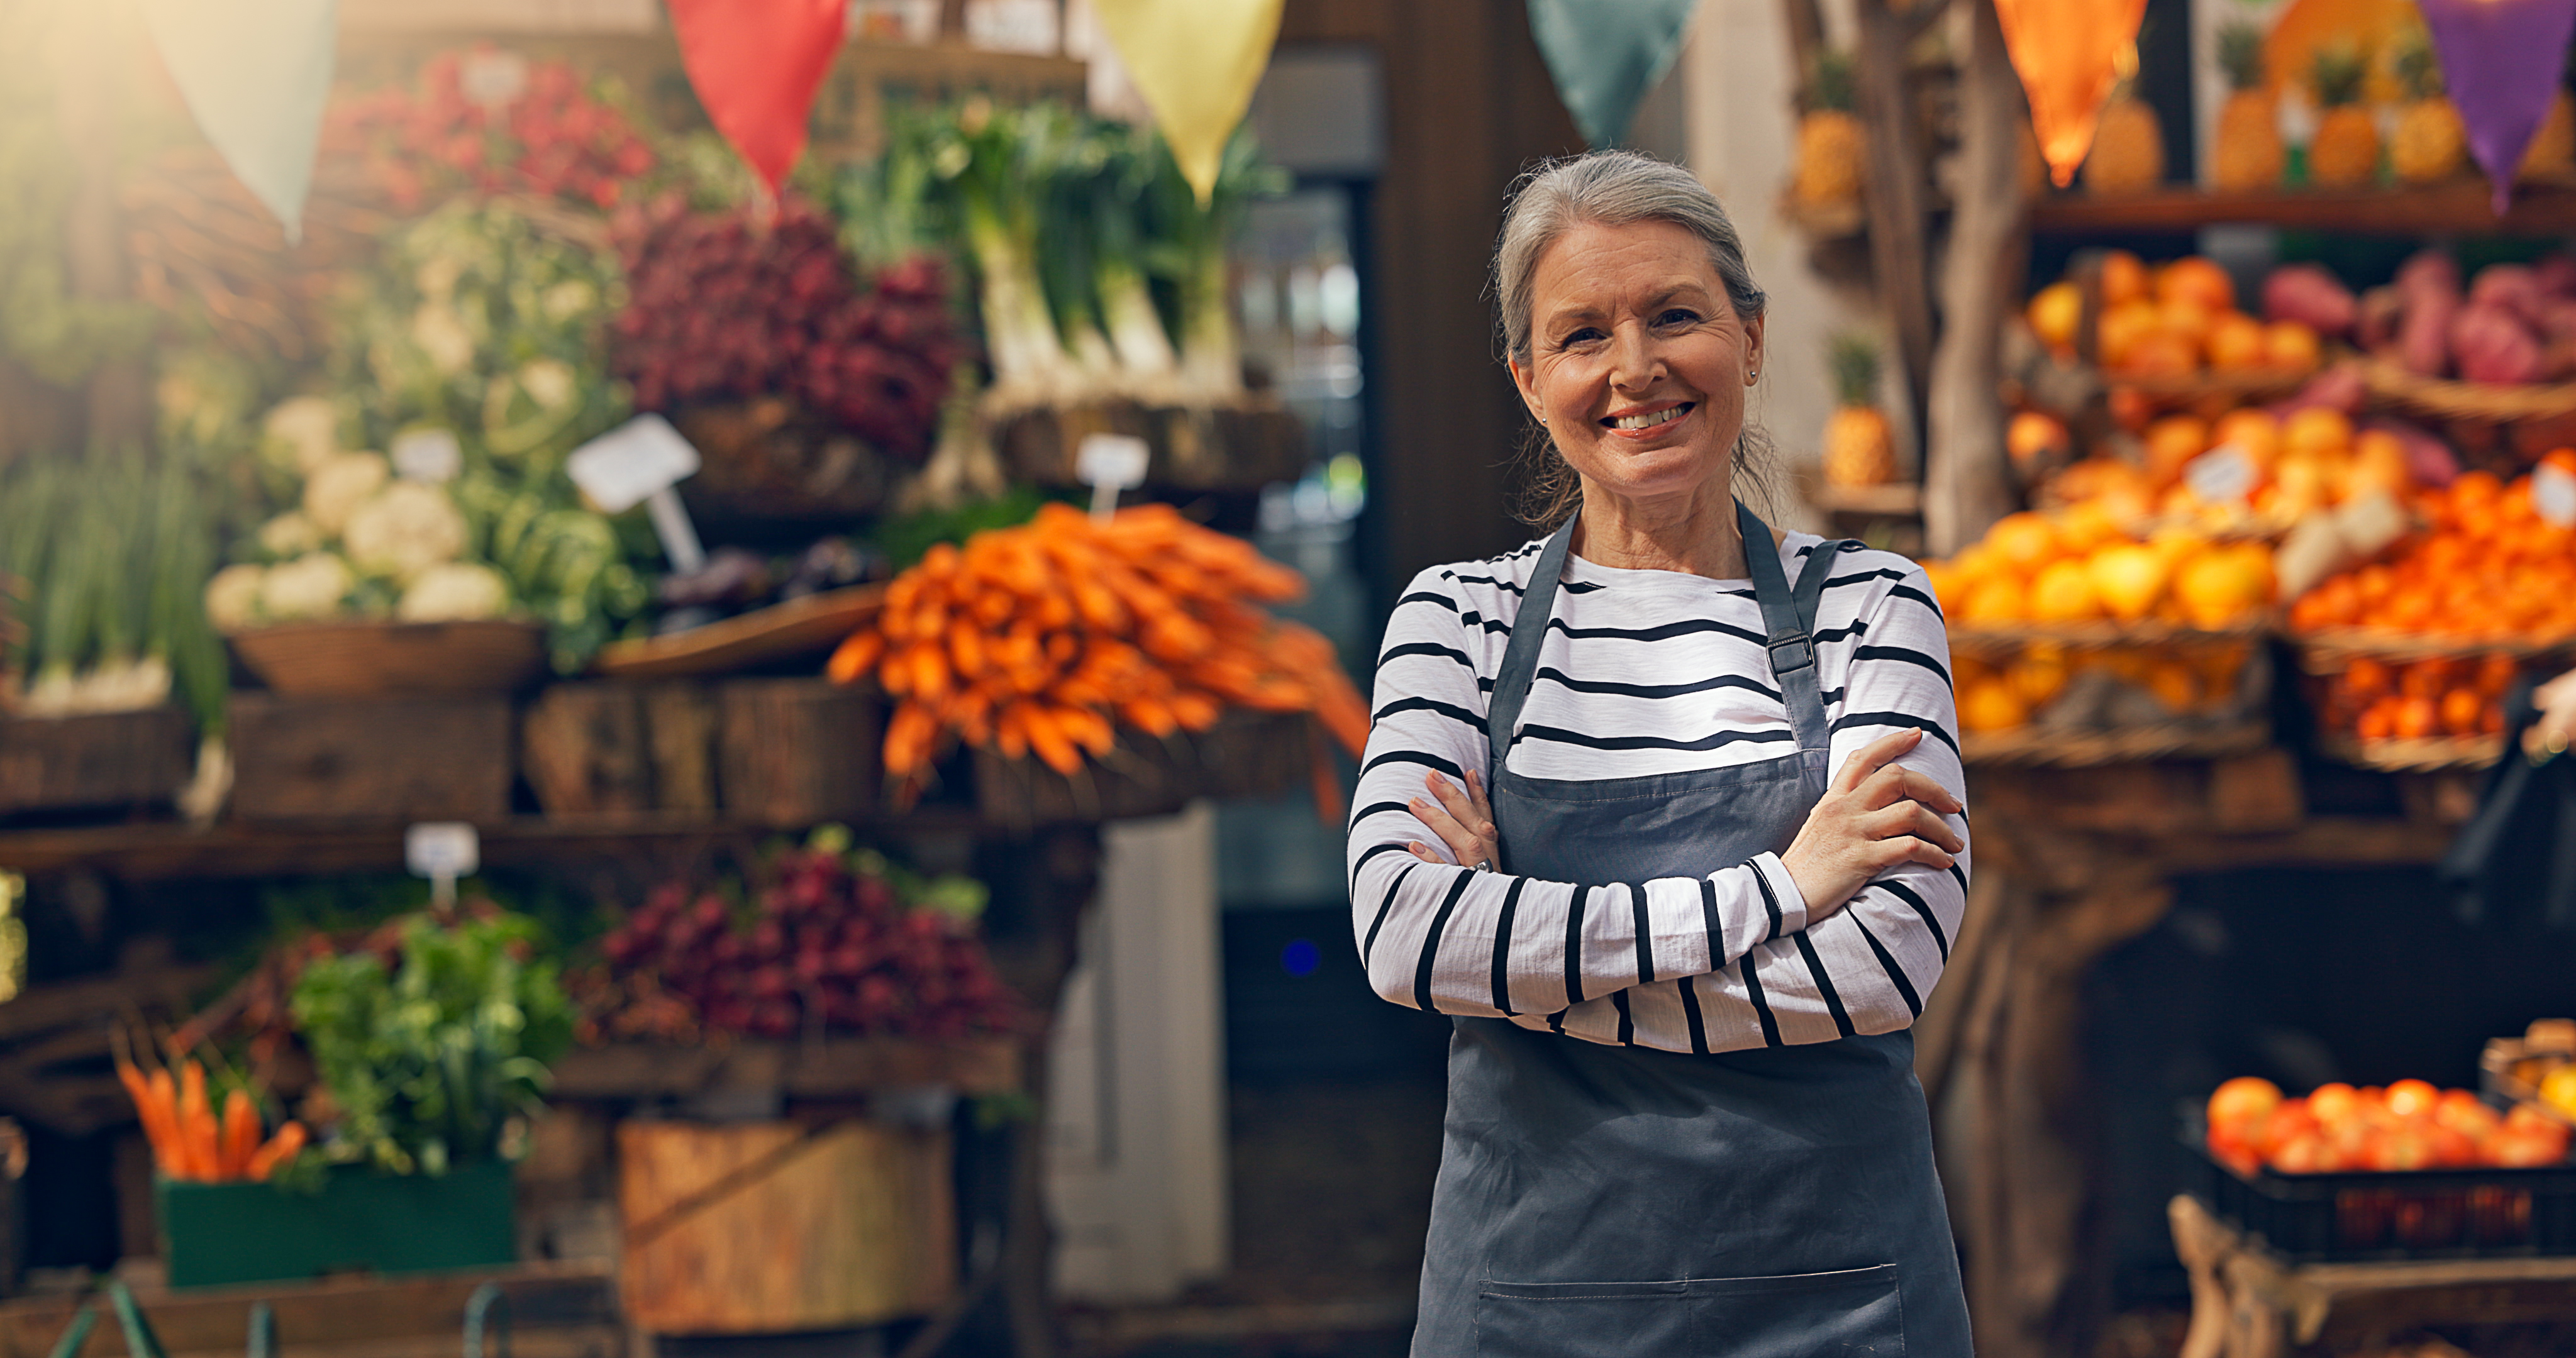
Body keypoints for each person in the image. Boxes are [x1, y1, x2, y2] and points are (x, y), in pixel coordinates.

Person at [1346, 150, 1975, 1355]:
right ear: (1532, 381)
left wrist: (1525, 971)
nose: (1635, 369)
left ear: (1747, 335)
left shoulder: (1873, 607)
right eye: (1583, 335)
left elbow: (1878, 973)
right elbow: (1404, 940)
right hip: (1530, 1298)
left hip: (1841, 1297)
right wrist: (1783, 889)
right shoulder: (1455, 619)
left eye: (1675, 316)